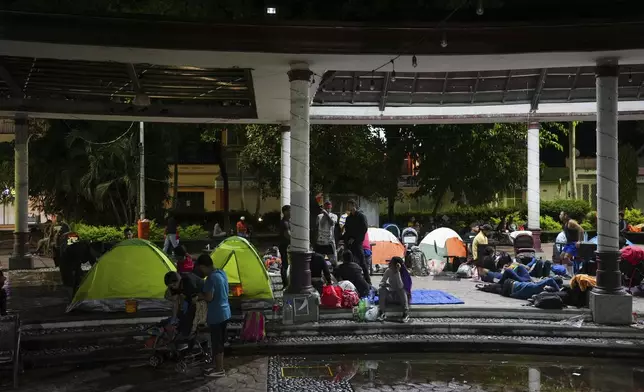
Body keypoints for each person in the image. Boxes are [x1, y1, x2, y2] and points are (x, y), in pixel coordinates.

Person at [197, 254, 231, 378]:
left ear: (203, 266)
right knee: (220, 341)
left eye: (201, 269)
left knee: (217, 343)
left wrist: (200, 296)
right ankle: (217, 365)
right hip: (225, 311)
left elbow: (209, 297)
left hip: (216, 314)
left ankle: (219, 369)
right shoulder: (222, 273)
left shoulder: (210, 278)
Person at [164, 270, 204, 338]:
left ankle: (188, 335)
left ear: (178, 282)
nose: (172, 287)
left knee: (188, 318)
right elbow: (175, 301)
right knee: (180, 315)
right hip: (189, 296)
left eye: (173, 285)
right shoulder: (173, 285)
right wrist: (174, 317)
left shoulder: (188, 282)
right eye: (170, 286)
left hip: (202, 295)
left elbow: (194, 301)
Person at [342, 199, 371, 284]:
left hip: (358, 242)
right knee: (348, 261)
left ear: (353, 205)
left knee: (362, 262)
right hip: (349, 243)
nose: (348, 207)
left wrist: (355, 239)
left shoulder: (361, 216)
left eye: (349, 205)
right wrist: (345, 240)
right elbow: (347, 231)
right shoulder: (348, 218)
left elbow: (364, 229)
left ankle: (368, 281)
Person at [377, 257, 411, 323]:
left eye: (391, 263)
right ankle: (382, 312)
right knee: (381, 289)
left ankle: (405, 313)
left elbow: (401, 286)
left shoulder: (403, 273)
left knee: (402, 290)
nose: (389, 264)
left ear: (396, 265)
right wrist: (385, 284)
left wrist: (397, 272)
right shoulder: (388, 271)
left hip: (400, 298)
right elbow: (381, 283)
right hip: (391, 296)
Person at [315, 201, 338, 266]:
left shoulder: (334, 216)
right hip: (320, 241)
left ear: (331, 208)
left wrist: (326, 214)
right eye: (326, 208)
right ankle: (322, 271)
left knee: (333, 261)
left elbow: (332, 223)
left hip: (329, 242)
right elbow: (319, 225)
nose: (327, 210)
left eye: (329, 208)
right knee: (319, 260)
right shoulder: (319, 216)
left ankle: (333, 271)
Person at [278, 205, 291, 288]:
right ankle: (285, 283)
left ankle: (287, 282)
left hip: (286, 245)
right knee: (285, 264)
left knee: (286, 264)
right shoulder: (284, 222)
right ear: (285, 212)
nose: (291, 212)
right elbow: (287, 235)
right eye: (290, 210)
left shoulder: (288, 221)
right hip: (284, 246)